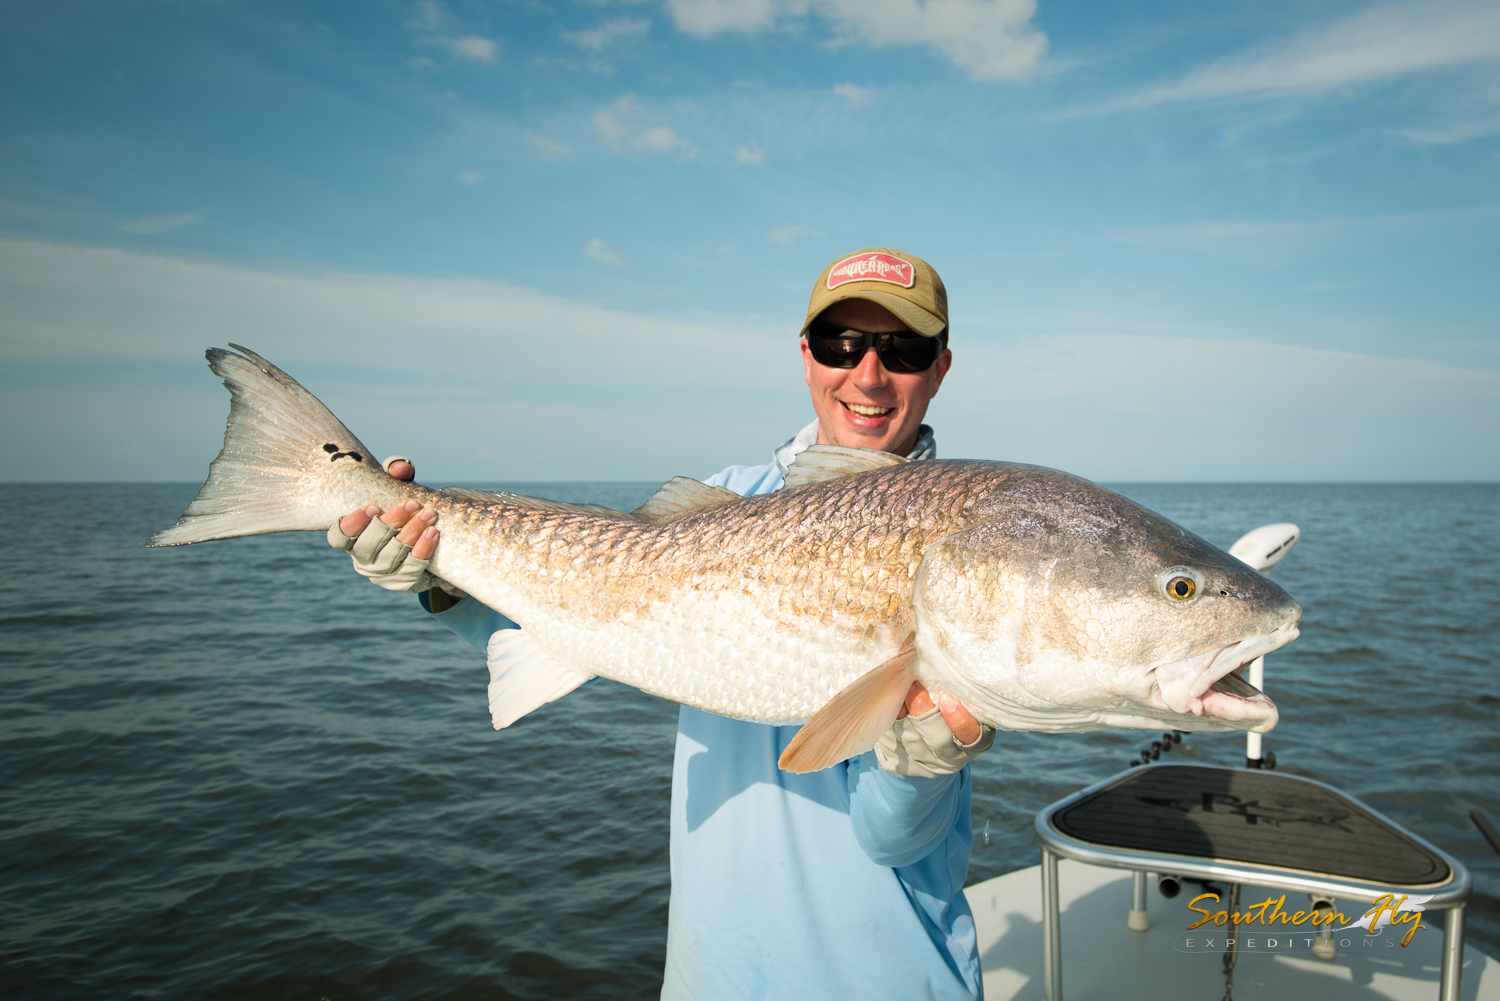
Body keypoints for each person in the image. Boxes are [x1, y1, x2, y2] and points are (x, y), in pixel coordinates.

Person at [329, 248, 993, 999]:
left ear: (940, 369)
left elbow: (891, 840)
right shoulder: (726, 498)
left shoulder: (971, 539)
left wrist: (920, 765)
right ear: (806, 357)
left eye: (904, 349)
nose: (869, 375)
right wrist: (435, 574)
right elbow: (587, 606)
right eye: (843, 344)